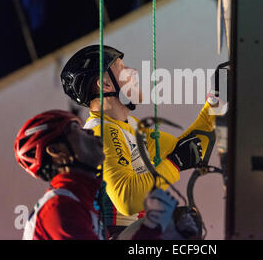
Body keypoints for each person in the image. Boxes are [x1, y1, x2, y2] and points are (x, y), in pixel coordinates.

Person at [60, 45, 217, 236]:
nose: (133, 72)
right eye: (123, 68)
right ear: (106, 85)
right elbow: (127, 201)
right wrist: (175, 163)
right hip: (121, 234)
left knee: (182, 222)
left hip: (136, 233)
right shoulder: (101, 131)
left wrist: (217, 102)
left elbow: (192, 147)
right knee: (180, 223)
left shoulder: (128, 125)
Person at [14, 109, 179, 240]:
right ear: (57, 151)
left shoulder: (81, 203)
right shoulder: (60, 207)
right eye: (76, 129)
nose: (90, 132)